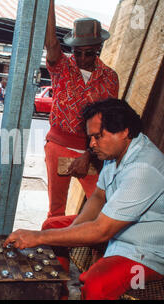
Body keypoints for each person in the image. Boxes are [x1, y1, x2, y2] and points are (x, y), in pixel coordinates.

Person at [5, 99, 164, 300]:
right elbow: (99, 196)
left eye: (98, 137)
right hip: (120, 231)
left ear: (124, 131)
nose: (92, 144)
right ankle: (59, 293)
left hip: (150, 252)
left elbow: (102, 230)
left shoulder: (144, 169)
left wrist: (37, 237)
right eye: (90, 137)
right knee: (53, 226)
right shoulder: (116, 154)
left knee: (96, 285)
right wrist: (71, 230)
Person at [44, 1, 119, 221]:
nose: (83, 59)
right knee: (55, 210)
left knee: (100, 212)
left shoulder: (109, 77)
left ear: (98, 49)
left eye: (89, 53)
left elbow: (107, 122)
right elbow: (51, 42)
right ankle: (56, 254)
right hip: (57, 147)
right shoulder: (62, 67)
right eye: (78, 53)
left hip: (91, 152)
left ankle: (91, 250)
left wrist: (88, 154)